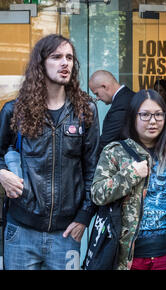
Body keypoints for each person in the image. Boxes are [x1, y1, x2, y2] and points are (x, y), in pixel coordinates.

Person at [0, 34, 100, 270]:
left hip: (65, 235)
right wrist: (2, 173)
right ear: (41, 63)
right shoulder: (15, 111)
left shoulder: (86, 112)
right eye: (56, 57)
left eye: (69, 57)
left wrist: (84, 217)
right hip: (21, 231)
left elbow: (93, 169)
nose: (65, 63)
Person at [91, 89, 166, 270]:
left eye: (158, 114)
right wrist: (131, 174)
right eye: (145, 115)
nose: (153, 121)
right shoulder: (115, 151)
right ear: (133, 117)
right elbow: (97, 194)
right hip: (128, 257)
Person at [89, 70, 135, 155]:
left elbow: (106, 142)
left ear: (104, 86)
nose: (98, 98)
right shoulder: (128, 97)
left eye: (97, 93)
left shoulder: (122, 105)